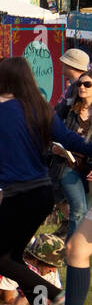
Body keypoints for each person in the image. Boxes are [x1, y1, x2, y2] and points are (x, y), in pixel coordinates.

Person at [0, 57, 92, 305]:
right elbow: (70, 139)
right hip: (43, 194)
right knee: (15, 258)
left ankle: (57, 296)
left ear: (2, 78)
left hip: (19, 194)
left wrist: (3, 174)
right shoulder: (41, 108)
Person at [53, 71, 92, 239]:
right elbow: (51, 131)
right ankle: (72, 251)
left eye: (87, 84)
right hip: (68, 166)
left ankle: (82, 250)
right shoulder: (68, 109)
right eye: (79, 84)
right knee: (78, 209)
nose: (82, 87)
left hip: (88, 168)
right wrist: (54, 148)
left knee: (88, 215)